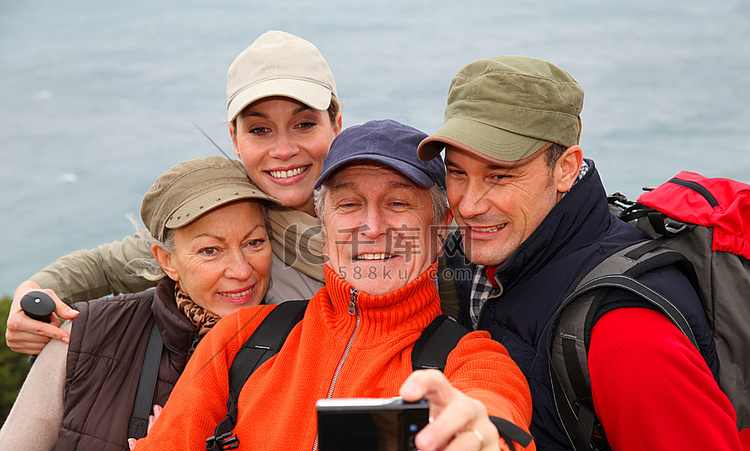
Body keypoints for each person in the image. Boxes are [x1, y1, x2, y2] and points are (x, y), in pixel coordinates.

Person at [95, 120, 535, 451]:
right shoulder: (242, 338)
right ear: (322, 231)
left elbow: (493, 410)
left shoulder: (472, 358)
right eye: (348, 204)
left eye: (398, 203)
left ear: (440, 232)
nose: (372, 227)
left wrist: (486, 450)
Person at [4, 30, 461, 356]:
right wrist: (35, 292)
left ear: (335, 124)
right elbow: (112, 263)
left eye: (304, 124)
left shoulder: (389, 206)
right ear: (234, 137)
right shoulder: (230, 210)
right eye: (260, 130)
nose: (284, 150)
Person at [416, 56, 750, 451]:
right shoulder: (478, 258)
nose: (469, 204)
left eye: (499, 176)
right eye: (456, 172)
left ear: (566, 169)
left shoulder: (626, 332)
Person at [0, 156, 280, 451]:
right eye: (210, 250)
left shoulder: (304, 350)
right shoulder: (84, 335)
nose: (241, 270)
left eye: (254, 243)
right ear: (166, 261)